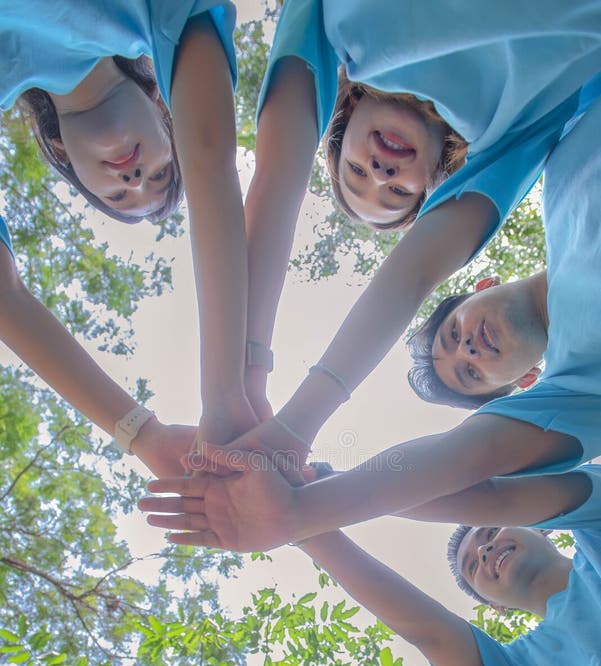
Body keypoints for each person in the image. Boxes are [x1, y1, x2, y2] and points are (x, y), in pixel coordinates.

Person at [216, 0, 601, 453]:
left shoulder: (331, 31)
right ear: (439, 180)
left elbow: (278, 177)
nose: (380, 175)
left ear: (341, 118)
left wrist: (243, 372)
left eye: (356, 171)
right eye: (399, 193)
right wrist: (296, 427)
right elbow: (412, 273)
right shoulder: (507, 140)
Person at [142, 462, 601, 666]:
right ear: (494, 607)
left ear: (535, 525)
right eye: (472, 567)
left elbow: (522, 490)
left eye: (487, 533)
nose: (483, 551)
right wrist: (301, 523)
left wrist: (340, 491)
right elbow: (427, 629)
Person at [0, 1, 250, 470]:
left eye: (116, 196)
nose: (135, 180)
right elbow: (212, 159)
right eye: (160, 172)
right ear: (163, 108)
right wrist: (225, 393)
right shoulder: (161, 18)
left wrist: (145, 436)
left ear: (63, 156)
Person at [407, 79, 601, 411]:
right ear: (526, 380)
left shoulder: (559, 176)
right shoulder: (591, 381)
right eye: (470, 372)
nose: (466, 349)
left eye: (453, 333)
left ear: (483, 286)